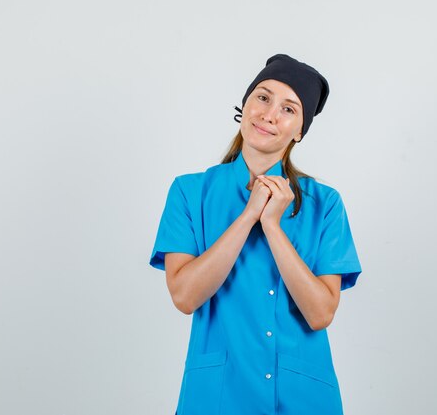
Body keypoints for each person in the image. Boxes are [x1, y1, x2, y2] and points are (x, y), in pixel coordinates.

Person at [148, 54, 363, 415]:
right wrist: (248, 216)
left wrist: (273, 226)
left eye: (289, 109)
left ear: (299, 131)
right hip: (218, 397)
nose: (269, 114)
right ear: (244, 105)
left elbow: (320, 313)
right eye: (262, 97)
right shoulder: (189, 192)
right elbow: (184, 296)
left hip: (302, 399)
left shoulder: (325, 204)